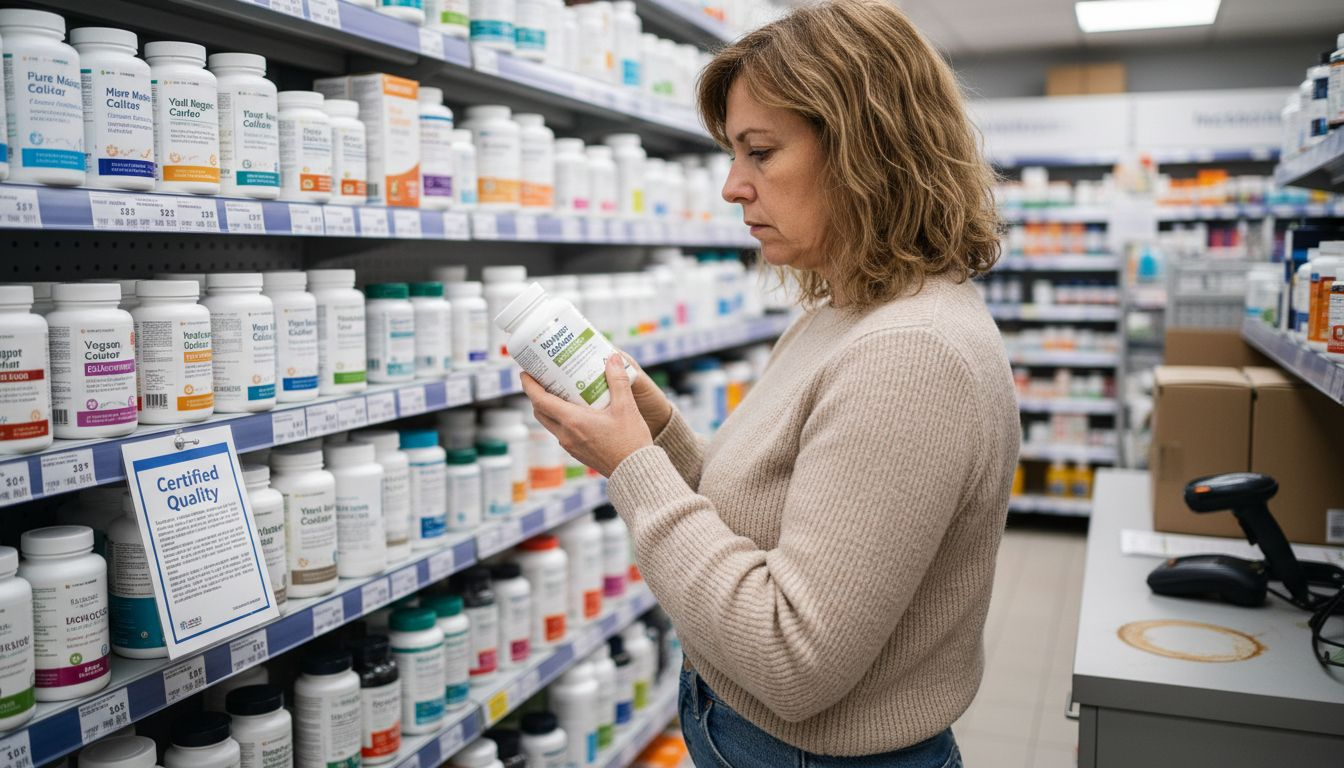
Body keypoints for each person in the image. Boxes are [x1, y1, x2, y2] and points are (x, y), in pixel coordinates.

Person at [520, 0, 1018, 764]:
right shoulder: (845, 310)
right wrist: (660, 439)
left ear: (867, 150)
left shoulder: (911, 355)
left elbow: (792, 660)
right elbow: (776, 525)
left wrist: (633, 470)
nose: (731, 186)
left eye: (760, 152)